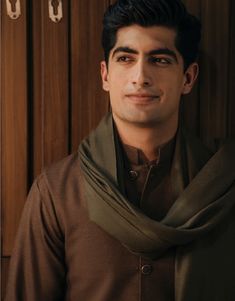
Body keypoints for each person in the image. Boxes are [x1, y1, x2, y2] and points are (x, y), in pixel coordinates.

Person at [5, 0, 235, 300]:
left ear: (188, 78)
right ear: (105, 75)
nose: (140, 77)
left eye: (160, 60)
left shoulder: (224, 185)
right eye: (126, 58)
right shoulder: (56, 192)